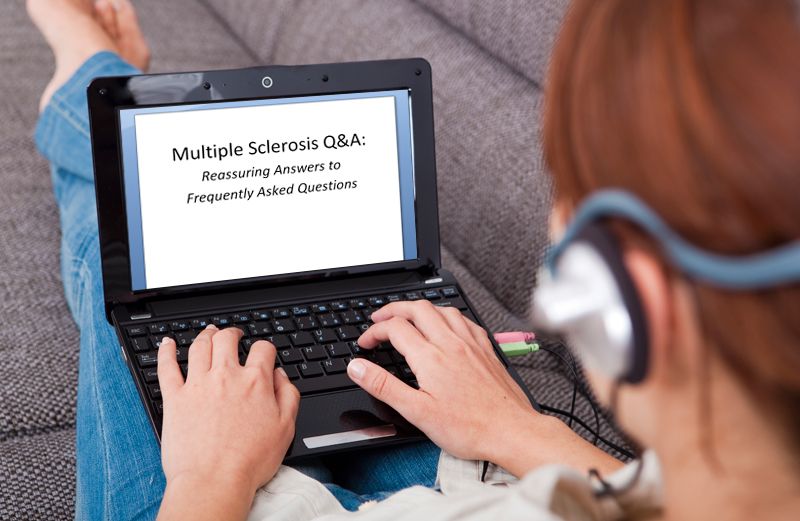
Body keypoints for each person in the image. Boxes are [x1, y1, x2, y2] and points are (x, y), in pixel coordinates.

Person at [28, 0, 800, 520]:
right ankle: (90, 74)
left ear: (627, 301)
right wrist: (518, 429)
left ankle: (87, 71)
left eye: (566, 191)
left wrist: (204, 479)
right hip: (490, 471)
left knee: (128, 249)